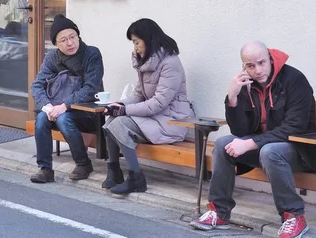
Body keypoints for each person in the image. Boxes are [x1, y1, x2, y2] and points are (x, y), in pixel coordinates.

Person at [190, 41, 316, 238]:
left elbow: (295, 127)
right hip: (266, 148)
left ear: (269, 58)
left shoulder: (293, 79)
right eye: (250, 65)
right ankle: (219, 212)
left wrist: (251, 143)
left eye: (261, 63)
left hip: (302, 150)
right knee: (224, 144)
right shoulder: (246, 84)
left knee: (270, 151)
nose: (257, 70)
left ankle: (293, 216)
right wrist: (232, 97)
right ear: (243, 66)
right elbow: (240, 130)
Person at [102, 18, 193, 194]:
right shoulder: (147, 62)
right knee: (112, 119)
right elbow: (138, 95)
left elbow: (159, 103)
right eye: (133, 43)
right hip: (154, 119)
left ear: (149, 39)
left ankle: (136, 178)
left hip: (172, 122)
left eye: (137, 42)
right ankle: (114, 171)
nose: (135, 47)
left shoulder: (170, 63)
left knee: (119, 123)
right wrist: (118, 105)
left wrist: (125, 110)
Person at [30, 14, 104, 183]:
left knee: (64, 118)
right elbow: (37, 86)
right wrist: (47, 106)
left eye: (73, 37)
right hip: (57, 110)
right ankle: (45, 169)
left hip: (88, 112)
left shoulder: (91, 54)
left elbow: (91, 88)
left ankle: (83, 163)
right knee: (41, 118)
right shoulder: (52, 58)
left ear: (78, 36)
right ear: (56, 44)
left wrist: (64, 106)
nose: (70, 43)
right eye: (63, 40)